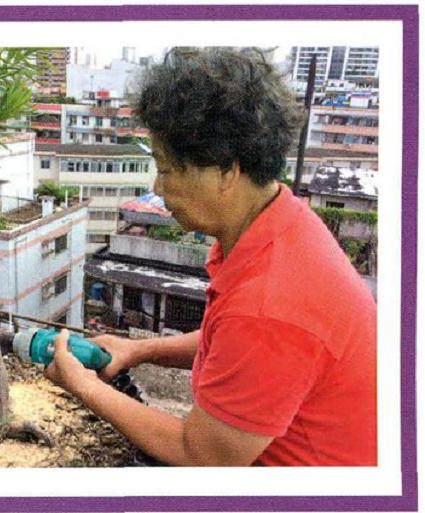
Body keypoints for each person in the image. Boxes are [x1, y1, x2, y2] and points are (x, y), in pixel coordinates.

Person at [44, 48, 376, 466]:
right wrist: (139, 351)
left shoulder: (271, 303)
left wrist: (85, 388)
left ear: (225, 170)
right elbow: (235, 350)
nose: (159, 189)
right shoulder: (278, 224)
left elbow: (202, 456)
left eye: (166, 169)